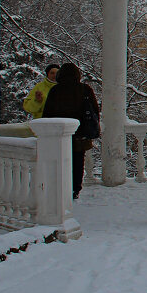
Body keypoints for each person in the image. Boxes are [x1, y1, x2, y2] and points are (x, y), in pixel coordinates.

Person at [41, 63, 100, 199]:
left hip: (59, 135)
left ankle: (61, 187)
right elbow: (95, 110)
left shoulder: (56, 91)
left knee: (60, 162)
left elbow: (47, 113)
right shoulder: (85, 89)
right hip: (80, 135)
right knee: (78, 162)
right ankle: (75, 189)